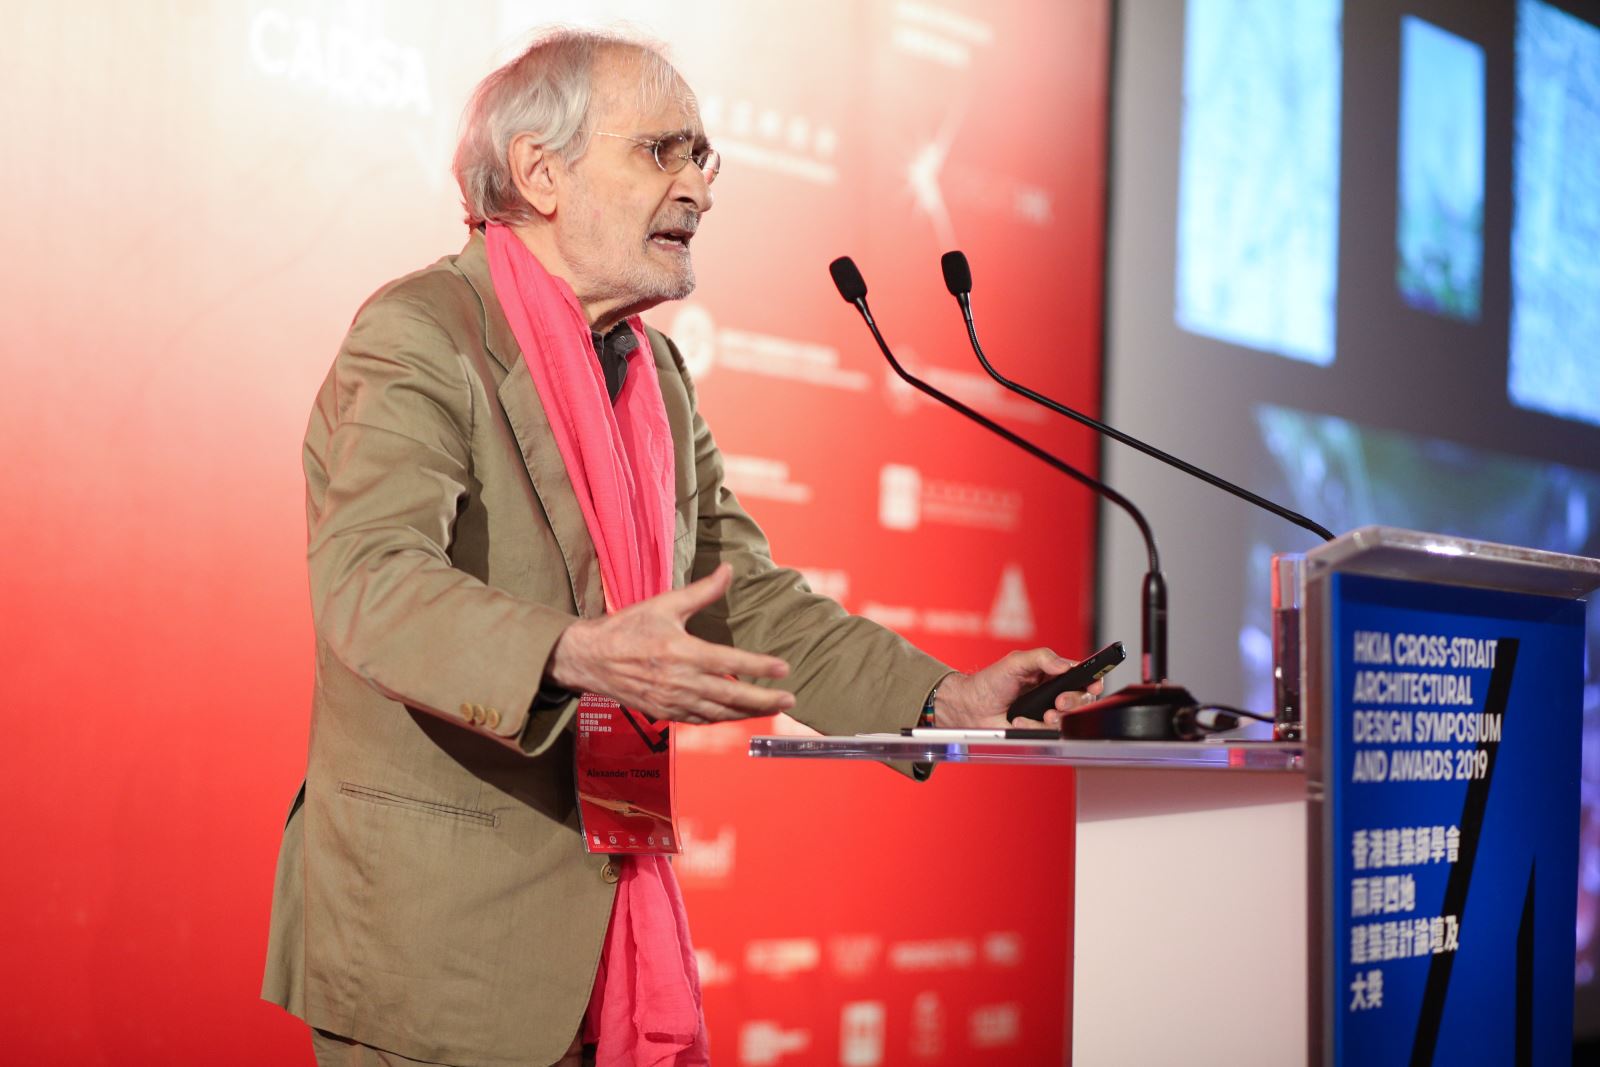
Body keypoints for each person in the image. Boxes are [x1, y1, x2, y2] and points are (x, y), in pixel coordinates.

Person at [263, 27, 1095, 1067]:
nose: (699, 186)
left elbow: (744, 600)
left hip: (608, 930)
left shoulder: (655, 371)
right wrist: (578, 653)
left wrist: (945, 699)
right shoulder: (421, 333)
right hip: (436, 951)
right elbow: (371, 583)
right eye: (662, 150)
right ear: (540, 172)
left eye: (704, 157)